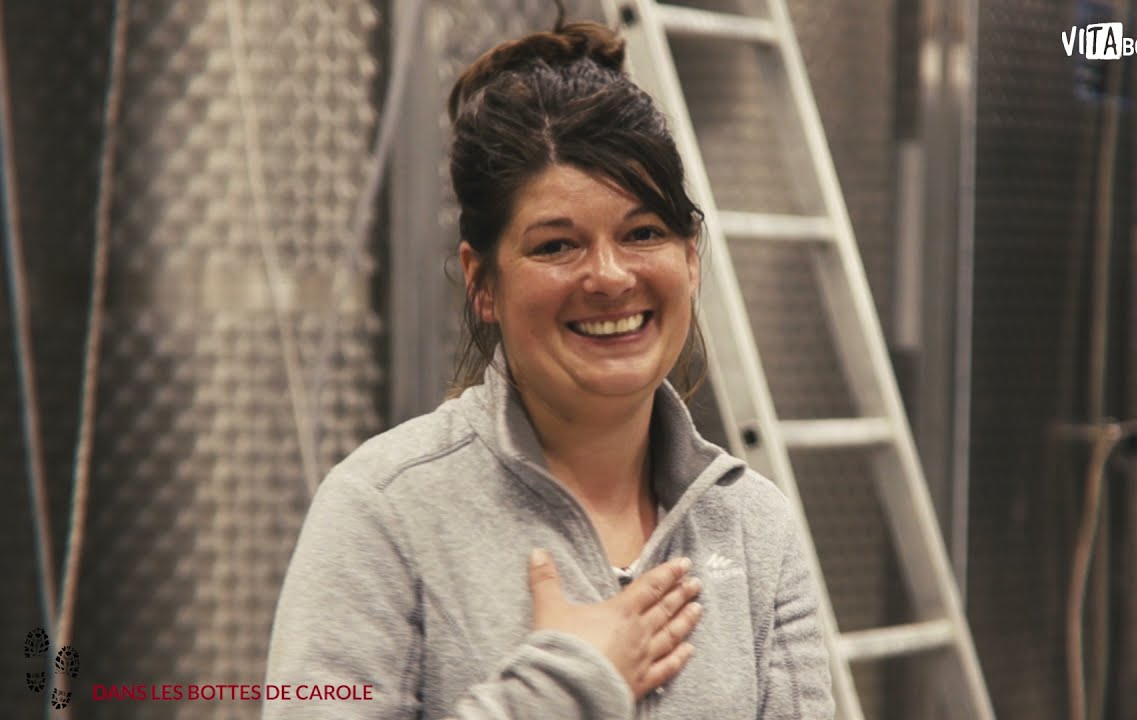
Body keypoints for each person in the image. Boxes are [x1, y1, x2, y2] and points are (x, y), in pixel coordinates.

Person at [264, 15, 835, 720]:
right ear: (482, 282)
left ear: (691, 256)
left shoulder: (753, 527)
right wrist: (565, 688)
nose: (609, 275)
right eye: (556, 246)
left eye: (644, 233)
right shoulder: (382, 512)